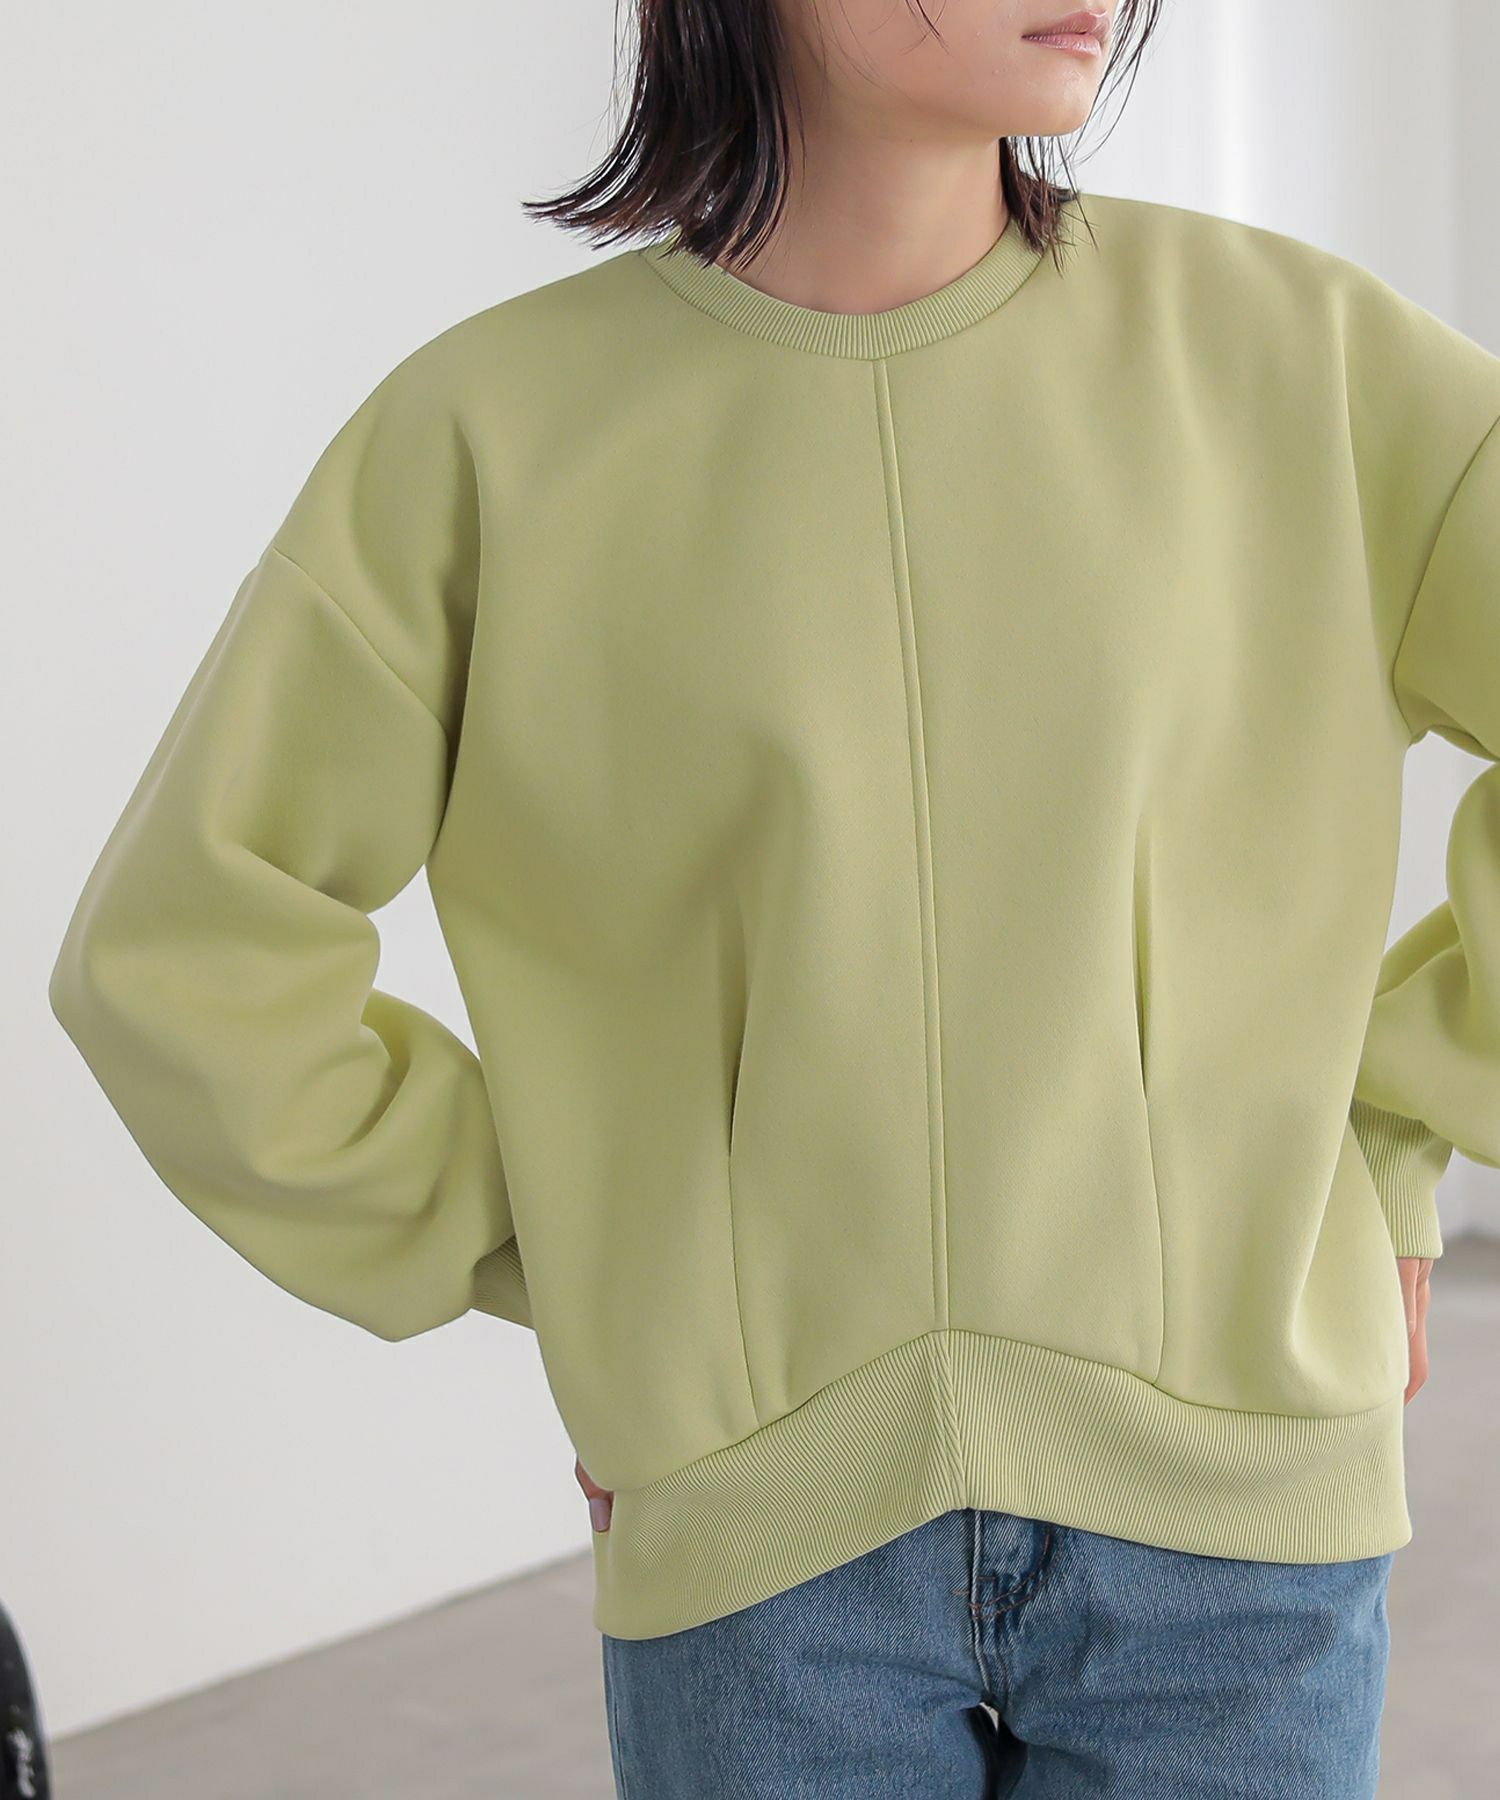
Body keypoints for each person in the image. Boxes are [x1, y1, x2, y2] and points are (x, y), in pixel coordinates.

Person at [47, 0, 1498, 1794]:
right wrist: (588, 1256)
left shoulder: (1308, 361)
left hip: (1239, 1550)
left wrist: (1397, 1128)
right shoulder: (487, 435)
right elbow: (183, 956)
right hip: (768, 1571)